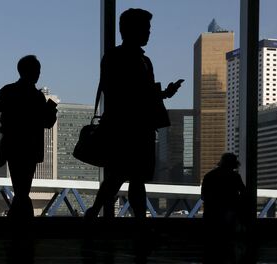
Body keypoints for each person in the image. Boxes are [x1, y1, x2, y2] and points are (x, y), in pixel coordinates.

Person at [84, 8, 184, 219]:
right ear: (132, 30)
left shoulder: (117, 57)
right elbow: (134, 93)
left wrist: (163, 93)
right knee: (130, 177)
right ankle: (136, 220)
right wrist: (161, 94)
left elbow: (119, 91)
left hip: (125, 126)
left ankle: (95, 213)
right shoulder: (139, 61)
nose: (149, 33)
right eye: (146, 28)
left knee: (118, 176)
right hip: (133, 128)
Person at [0, 55, 58, 219]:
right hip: (31, 147)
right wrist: (51, 110)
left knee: (20, 188)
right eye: (37, 71)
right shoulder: (37, 97)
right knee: (23, 188)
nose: (38, 74)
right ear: (32, 72)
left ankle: (18, 222)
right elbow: (47, 123)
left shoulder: (8, 91)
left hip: (12, 144)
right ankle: (22, 223)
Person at [200, 153, 246, 263]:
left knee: (212, 246)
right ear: (234, 164)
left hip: (211, 215)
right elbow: (244, 193)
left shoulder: (209, 176)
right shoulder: (235, 176)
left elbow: (203, 196)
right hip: (230, 215)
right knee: (229, 244)